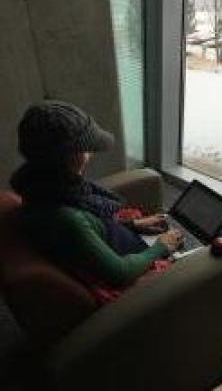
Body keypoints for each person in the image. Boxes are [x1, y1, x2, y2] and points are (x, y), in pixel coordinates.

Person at [10, 101, 184, 288]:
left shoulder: (38, 187)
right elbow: (120, 273)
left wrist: (132, 225)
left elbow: (87, 234)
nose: (90, 154)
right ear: (69, 157)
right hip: (135, 269)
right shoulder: (67, 217)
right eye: (85, 150)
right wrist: (161, 246)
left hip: (121, 241)